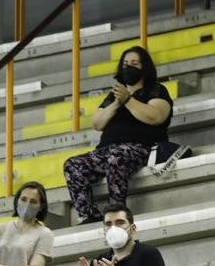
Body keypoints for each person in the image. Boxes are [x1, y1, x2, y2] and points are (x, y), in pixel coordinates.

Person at [63, 47, 173, 224]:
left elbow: (156, 116)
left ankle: (116, 213)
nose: (129, 67)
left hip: (140, 147)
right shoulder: (115, 95)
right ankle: (89, 214)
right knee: (73, 165)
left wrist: (129, 100)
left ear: (145, 68)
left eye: (134, 64)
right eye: (125, 64)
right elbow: (97, 123)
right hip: (107, 149)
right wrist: (116, 103)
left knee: (116, 157)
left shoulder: (156, 89)